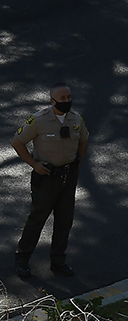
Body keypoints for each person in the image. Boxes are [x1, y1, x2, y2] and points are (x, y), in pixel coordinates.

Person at [12, 82, 88, 278]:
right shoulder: (38, 120)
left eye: (69, 97)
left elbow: (83, 141)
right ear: (52, 100)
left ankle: (58, 261)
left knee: (64, 221)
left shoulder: (76, 119)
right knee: (37, 219)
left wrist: (76, 167)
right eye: (62, 98)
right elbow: (17, 142)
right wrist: (34, 164)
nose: (66, 101)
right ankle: (22, 259)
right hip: (46, 178)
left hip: (68, 177)